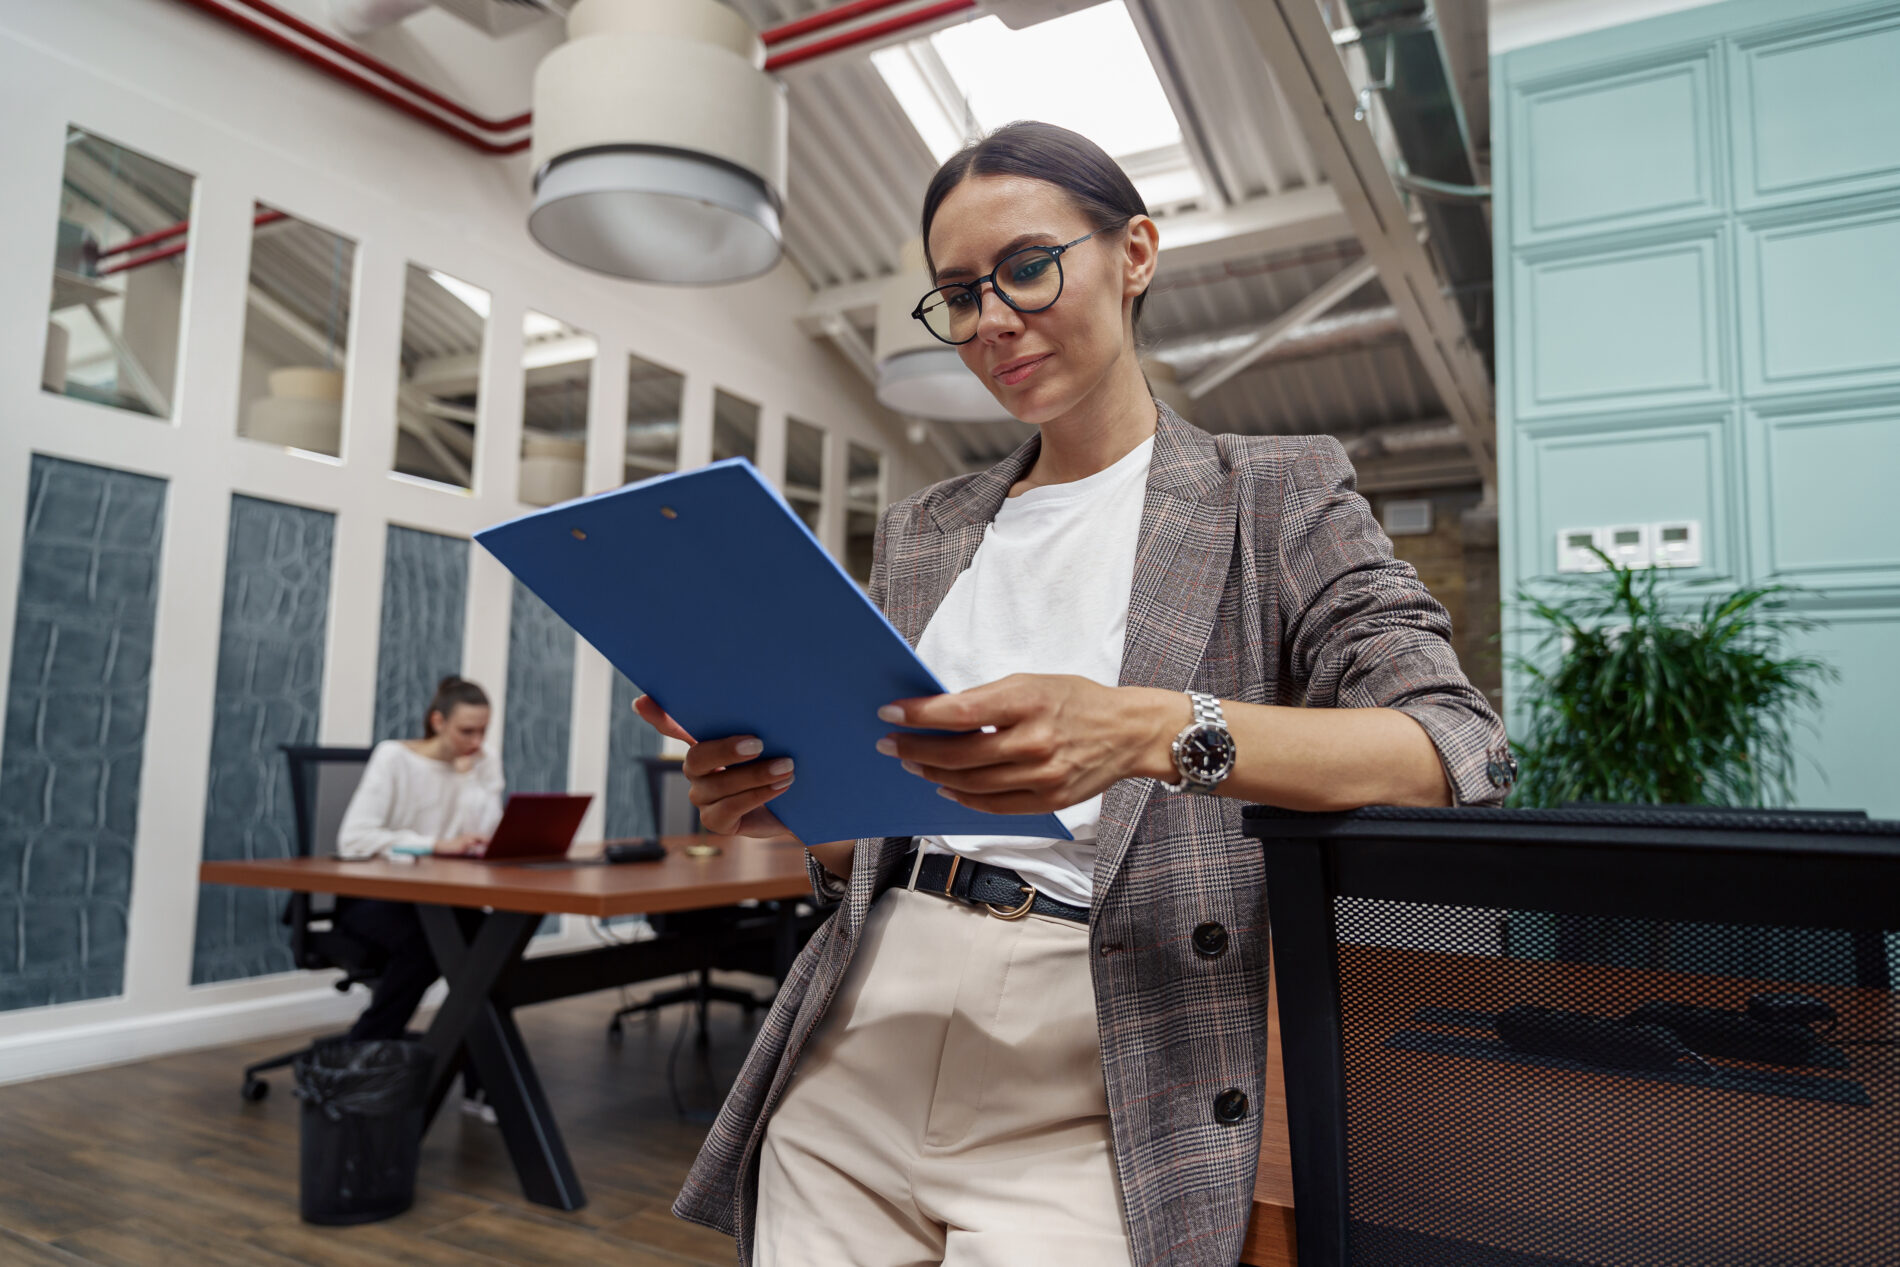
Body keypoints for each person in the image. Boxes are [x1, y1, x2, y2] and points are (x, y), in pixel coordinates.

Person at [662, 122, 1514, 1266]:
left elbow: (1455, 749)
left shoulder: (1276, 496)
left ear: (1135, 254)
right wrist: (792, 803)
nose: (991, 320)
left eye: (1024, 267)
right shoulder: (926, 528)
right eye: (958, 295)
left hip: (1110, 1047)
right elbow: (879, 825)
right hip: (866, 1026)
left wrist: (1155, 728)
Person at [335, 674, 504, 1119]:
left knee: (492, 949)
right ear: (437, 721)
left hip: (439, 900)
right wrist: (432, 844)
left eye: (483, 731)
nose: (477, 740)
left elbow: (487, 834)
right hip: (373, 899)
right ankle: (358, 1062)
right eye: (467, 730)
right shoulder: (394, 758)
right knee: (427, 948)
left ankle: (482, 1086)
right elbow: (354, 839)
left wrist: (478, 779)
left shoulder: (477, 766)